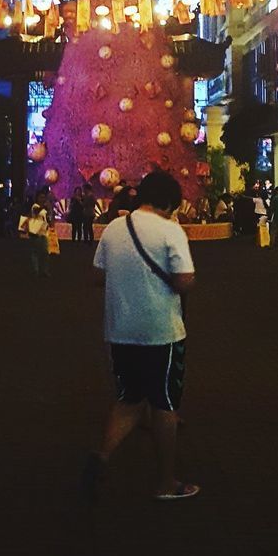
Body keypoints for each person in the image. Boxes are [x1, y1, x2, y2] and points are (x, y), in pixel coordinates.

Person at [83, 170, 198, 502]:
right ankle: (166, 481)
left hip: (120, 330)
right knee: (164, 405)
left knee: (128, 401)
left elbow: (96, 276)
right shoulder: (170, 231)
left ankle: (102, 456)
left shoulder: (115, 229)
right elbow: (184, 281)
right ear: (167, 202)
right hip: (161, 331)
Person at [22, 202, 50, 277]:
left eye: (43, 198)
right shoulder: (35, 206)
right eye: (41, 197)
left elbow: (46, 218)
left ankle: (44, 270)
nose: (43, 199)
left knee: (45, 252)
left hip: (43, 231)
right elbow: (35, 211)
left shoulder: (43, 209)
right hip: (36, 231)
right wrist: (43, 207)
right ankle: (36, 270)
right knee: (35, 251)